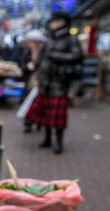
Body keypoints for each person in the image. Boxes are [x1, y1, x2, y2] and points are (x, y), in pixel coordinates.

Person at [28, 11, 83, 154]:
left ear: (61, 22)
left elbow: (77, 56)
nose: (51, 24)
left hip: (60, 81)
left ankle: (58, 141)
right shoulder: (49, 38)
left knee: (58, 117)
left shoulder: (71, 39)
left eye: (54, 21)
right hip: (45, 81)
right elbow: (41, 60)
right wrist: (38, 77)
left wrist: (56, 55)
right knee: (45, 113)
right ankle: (47, 138)